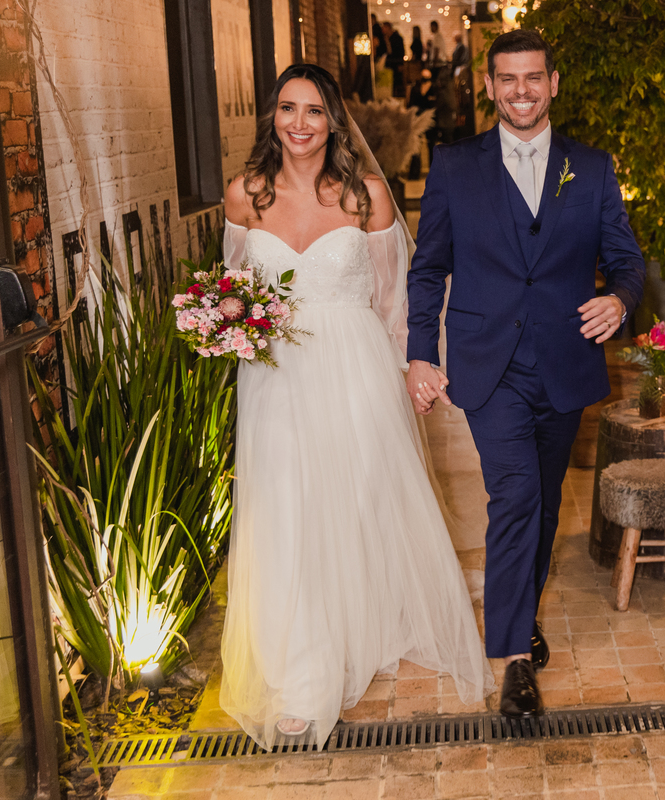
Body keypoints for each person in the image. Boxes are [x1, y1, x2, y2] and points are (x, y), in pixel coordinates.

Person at [219, 63, 492, 750]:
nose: (300, 123)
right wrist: (222, 322)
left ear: (334, 121)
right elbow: (234, 291)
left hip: (355, 368)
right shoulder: (244, 195)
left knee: (353, 503)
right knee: (286, 509)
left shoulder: (366, 196)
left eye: (314, 110)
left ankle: (358, 623)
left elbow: (394, 301)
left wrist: (411, 372)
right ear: (272, 116)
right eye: (288, 108)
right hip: (276, 375)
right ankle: (302, 673)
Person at [406, 29, 645, 718]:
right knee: (514, 497)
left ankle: (521, 610)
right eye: (507, 79)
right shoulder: (455, 167)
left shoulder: (591, 167)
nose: (521, 91)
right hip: (490, 365)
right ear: (489, 86)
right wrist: (421, 353)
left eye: (533, 77)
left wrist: (619, 299)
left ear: (553, 83)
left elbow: (626, 260)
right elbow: (429, 267)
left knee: (541, 502)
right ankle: (511, 659)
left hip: (564, 363)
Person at [383, 22, 406, 97]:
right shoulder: (386, 38)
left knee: (397, 81)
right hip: (390, 63)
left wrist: (400, 63)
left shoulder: (397, 38)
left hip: (396, 62)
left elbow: (401, 51)